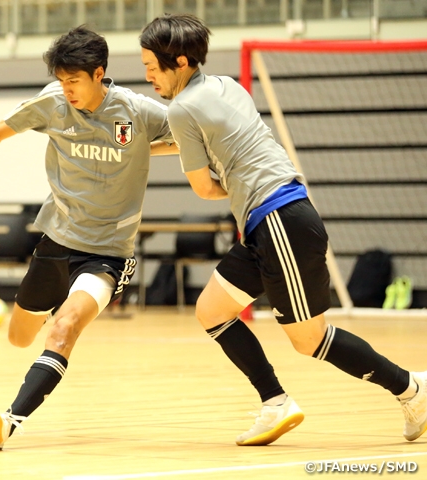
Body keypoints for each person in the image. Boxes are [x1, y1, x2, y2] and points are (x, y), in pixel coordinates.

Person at [139, 14, 427, 446]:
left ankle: (411, 388)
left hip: (278, 220)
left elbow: (202, 186)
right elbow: (195, 139)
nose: (147, 77)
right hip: (275, 220)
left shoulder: (180, 109)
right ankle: (275, 401)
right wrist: (141, 149)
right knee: (212, 311)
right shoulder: (226, 87)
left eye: (151, 67)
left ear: (179, 61)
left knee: (309, 340)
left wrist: (231, 187)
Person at [0, 26, 174, 450]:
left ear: (99, 74)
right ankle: (54, 333)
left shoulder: (138, 112)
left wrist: (144, 150)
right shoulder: (52, 103)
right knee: (19, 337)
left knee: (64, 329)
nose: (66, 89)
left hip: (107, 251)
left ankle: (9, 422)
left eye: (74, 81)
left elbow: (192, 138)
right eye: (62, 80)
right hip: (58, 239)